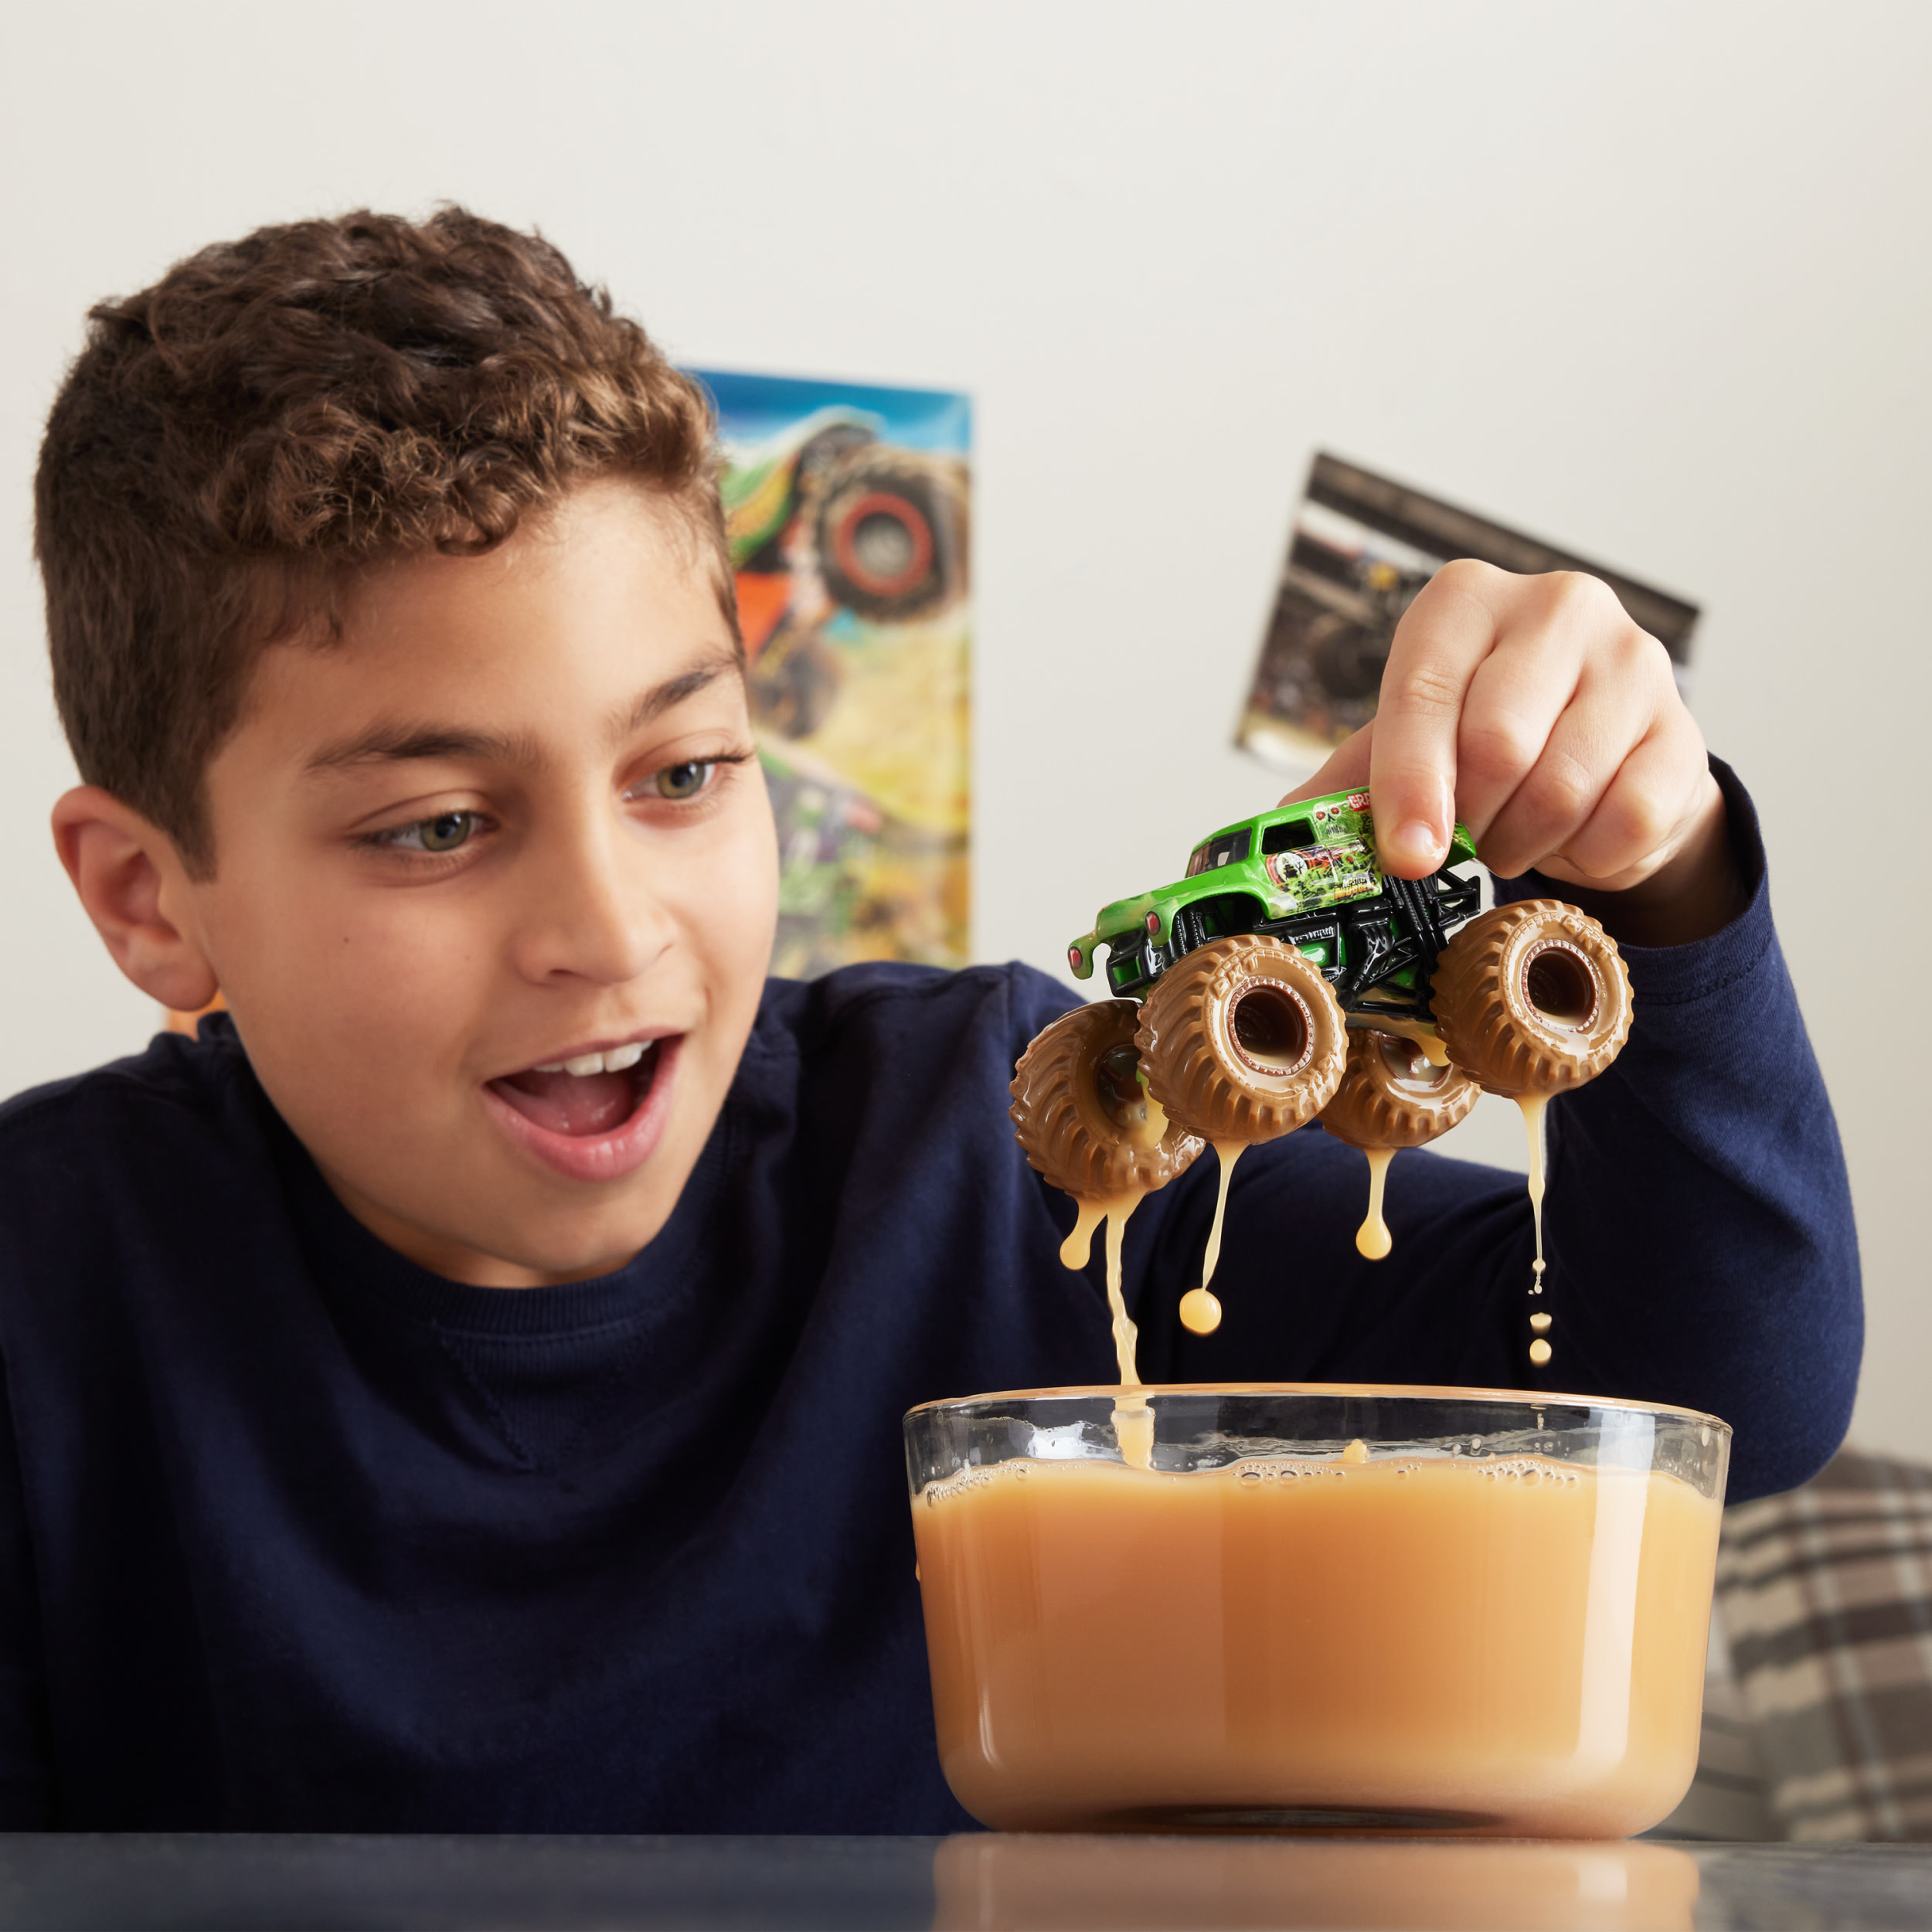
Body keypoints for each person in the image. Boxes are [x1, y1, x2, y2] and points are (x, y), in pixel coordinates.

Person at [0, 209, 1858, 1832]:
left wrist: (1663, 872)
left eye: (683, 769)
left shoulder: (988, 1154)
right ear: (150, 896)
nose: (606, 926)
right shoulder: (50, 1297)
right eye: (436, 825)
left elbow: (1702, 1395)